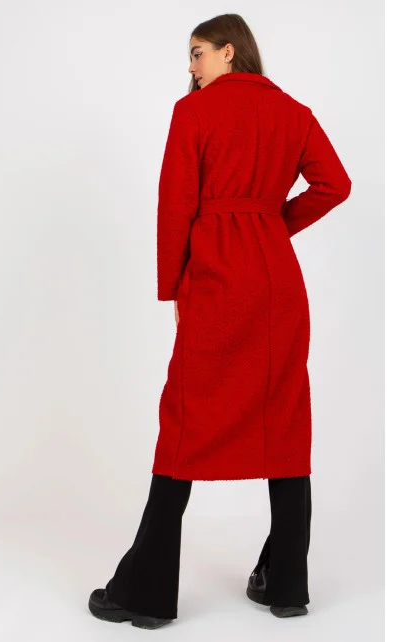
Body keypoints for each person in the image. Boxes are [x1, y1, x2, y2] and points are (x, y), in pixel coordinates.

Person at [88, 13, 351, 629]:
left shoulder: (194, 113)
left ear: (230, 52)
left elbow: (175, 205)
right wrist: (270, 225)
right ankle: (286, 585)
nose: (191, 65)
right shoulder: (294, 112)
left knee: (183, 421)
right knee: (285, 419)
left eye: (198, 52)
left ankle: (146, 594)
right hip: (277, 284)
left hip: (217, 278)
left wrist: (173, 286)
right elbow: (334, 184)